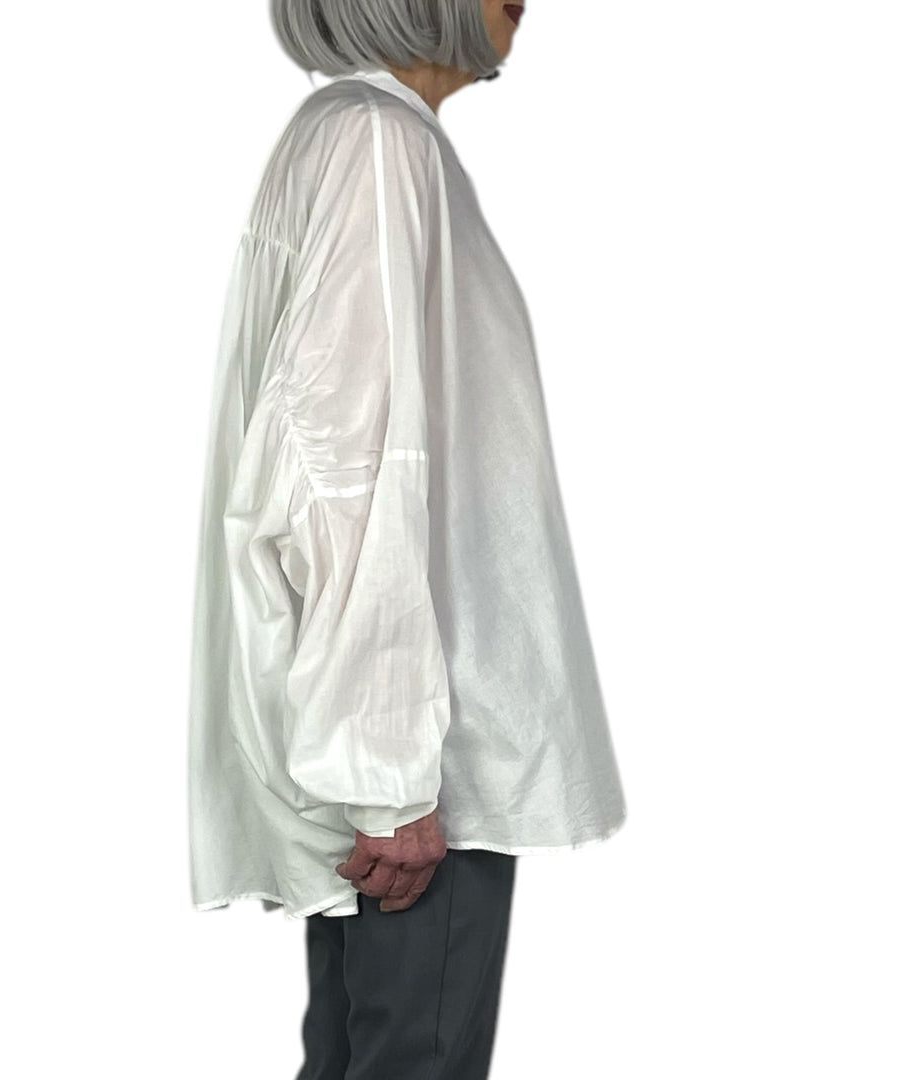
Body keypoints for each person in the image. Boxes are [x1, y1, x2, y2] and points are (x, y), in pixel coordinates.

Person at [187, 2, 627, 1076]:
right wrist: (388, 776)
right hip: (423, 765)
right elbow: (347, 467)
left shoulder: (352, 135)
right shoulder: (378, 143)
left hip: (389, 743)